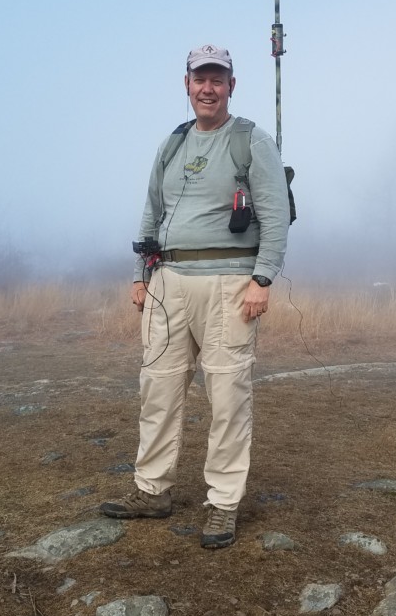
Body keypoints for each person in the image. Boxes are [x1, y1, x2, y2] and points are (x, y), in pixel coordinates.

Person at [100, 44, 290, 549]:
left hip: (230, 285)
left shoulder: (252, 141)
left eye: (218, 79)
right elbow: (151, 213)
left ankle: (223, 503)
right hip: (167, 283)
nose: (208, 88)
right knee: (157, 388)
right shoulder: (172, 144)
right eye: (200, 79)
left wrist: (263, 280)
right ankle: (151, 490)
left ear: (232, 85)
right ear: (185, 84)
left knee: (228, 395)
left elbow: (274, 216)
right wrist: (142, 274)